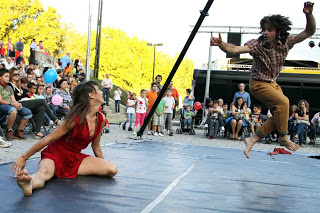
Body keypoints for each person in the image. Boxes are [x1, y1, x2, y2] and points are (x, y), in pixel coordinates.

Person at [211, 2, 316, 158]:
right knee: (284, 102)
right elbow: (236, 49)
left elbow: (309, 31)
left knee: (280, 115)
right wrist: (222, 45)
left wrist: (308, 14)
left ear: (278, 31)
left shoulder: (286, 42)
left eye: (270, 30)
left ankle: (252, 139)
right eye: (264, 29)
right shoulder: (257, 45)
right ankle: (283, 137)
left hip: (273, 84)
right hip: (258, 84)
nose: (266, 33)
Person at [10, 81, 118, 196]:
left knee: (112, 169)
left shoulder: (101, 119)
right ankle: (29, 182)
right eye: (98, 89)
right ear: (91, 95)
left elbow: (95, 146)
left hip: (75, 158)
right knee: (43, 174)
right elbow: (48, 139)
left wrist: (103, 161)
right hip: (55, 154)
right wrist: (23, 157)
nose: (102, 92)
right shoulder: (75, 119)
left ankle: (56, 173)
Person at [0, 68, 32, 141]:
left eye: (8, 76)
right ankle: (9, 130)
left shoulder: (9, 87)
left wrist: (17, 104)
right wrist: (11, 104)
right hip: (2, 105)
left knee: (27, 112)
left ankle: (18, 130)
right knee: (13, 110)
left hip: (10, 104)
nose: (8, 78)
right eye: (6, 76)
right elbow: (0, 100)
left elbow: (13, 99)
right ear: (0, 77)